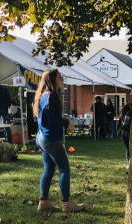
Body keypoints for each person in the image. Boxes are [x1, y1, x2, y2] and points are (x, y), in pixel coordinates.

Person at [34, 69, 84, 213]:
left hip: (43, 138)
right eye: (59, 76)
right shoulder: (51, 96)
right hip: (50, 139)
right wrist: (67, 123)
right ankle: (66, 204)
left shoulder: (43, 95)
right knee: (64, 169)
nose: (62, 78)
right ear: (52, 79)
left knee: (49, 169)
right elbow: (52, 118)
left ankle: (43, 202)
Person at [120, 102, 132, 166]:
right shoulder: (129, 113)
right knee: (129, 148)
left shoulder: (123, 114)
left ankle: (128, 163)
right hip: (127, 132)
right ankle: (129, 163)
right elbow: (127, 123)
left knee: (128, 148)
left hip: (124, 132)